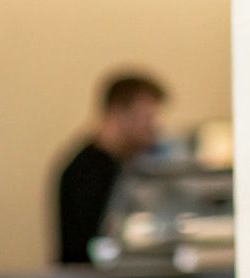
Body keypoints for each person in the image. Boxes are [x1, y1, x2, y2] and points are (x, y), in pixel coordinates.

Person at [54, 72, 167, 265]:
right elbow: (86, 250)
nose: (153, 129)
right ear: (119, 113)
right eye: (147, 118)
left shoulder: (117, 165)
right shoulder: (87, 171)